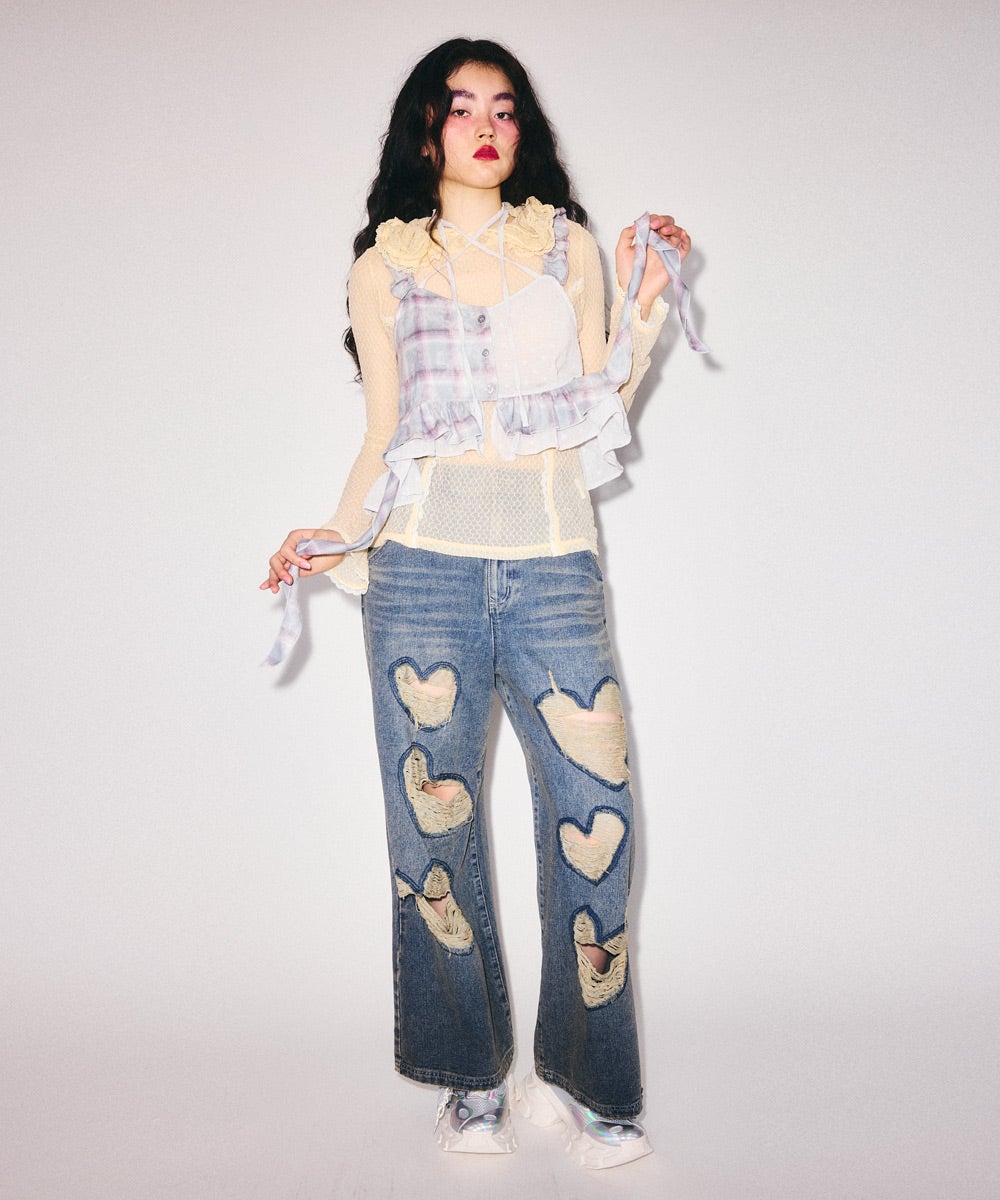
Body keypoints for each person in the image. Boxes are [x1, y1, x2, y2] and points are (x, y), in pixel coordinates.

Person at [261, 37, 705, 1169]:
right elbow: (385, 431)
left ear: (523, 128)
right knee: (434, 832)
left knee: (596, 821)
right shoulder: (386, 263)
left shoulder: (565, 247)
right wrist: (333, 536)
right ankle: (470, 1078)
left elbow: (600, 392)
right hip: (421, 573)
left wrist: (649, 298)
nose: (486, 126)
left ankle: (587, 1075)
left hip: (554, 567)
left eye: (503, 108)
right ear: (427, 131)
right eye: (460, 108)